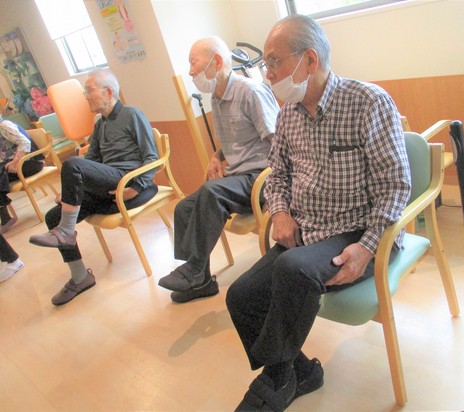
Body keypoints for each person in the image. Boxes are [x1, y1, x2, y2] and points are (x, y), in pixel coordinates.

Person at [225, 15, 412, 411]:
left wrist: (367, 248)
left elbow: (396, 186)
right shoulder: (288, 114)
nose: (268, 73)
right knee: (241, 295)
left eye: (274, 62)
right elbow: (277, 176)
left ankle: (276, 381)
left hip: (359, 231)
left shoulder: (368, 102)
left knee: (292, 270)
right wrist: (279, 212)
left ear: (309, 60)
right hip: (307, 233)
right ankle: (299, 371)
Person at [157, 36, 279, 303]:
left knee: (211, 192)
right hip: (237, 178)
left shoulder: (251, 92)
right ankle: (201, 281)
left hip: (261, 177)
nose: (191, 72)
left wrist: (280, 191)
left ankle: (193, 269)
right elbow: (236, 140)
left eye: (194, 63)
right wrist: (216, 156)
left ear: (218, 61)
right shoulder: (217, 98)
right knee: (183, 208)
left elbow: (280, 142)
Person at [29, 68, 159, 306]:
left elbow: (152, 157)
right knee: (53, 216)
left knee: (72, 164)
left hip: (125, 181)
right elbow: (91, 161)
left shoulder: (132, 114)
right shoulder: (100, 124)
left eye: (89, 91)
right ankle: (80, 276)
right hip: (106, 184)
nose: (85, 96)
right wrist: (71, 190)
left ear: (108, 92)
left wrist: (136, 188)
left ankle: (66, 231)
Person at [0, 116, 45, 234]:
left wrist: (15, 162)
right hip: (20, 163)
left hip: (30, 162)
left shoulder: (4, 126)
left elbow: (25, 142)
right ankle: (5, 216)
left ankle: (5, 218)